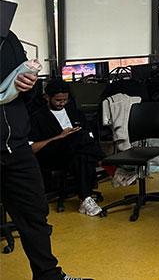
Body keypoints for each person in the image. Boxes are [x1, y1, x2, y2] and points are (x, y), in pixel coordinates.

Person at [0, 30, 91, 280]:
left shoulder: (8, 39)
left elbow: (28, 95)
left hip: (15, 147)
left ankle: (48, 276)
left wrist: (27, 85)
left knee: (35, 214)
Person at [29, 80, 105, 217]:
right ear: (47, 97)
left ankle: (85, 198)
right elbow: (32, 148)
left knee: (81, 154)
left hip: (74, 153)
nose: (62, 103)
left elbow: (89, 136)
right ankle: (109, 165)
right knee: (77, 137)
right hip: (52, 155)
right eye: (58, 100)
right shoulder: (37, 117)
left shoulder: (75, 113)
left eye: (65, 100)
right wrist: (59, 137)